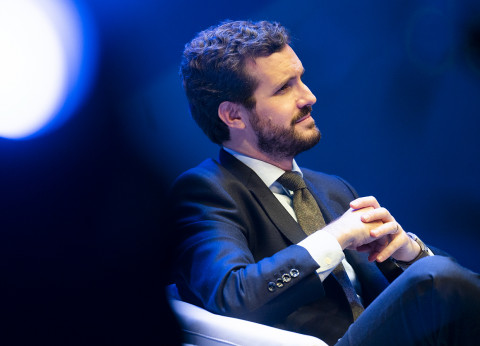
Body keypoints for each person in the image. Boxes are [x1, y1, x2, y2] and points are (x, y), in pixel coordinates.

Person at [170, 20, 480, 345]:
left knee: (432, 274)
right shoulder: (204, 192)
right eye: (283, 88)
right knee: (433, 280)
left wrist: (408, 252)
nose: (308, 96)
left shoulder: (333, 188)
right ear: (233, 116)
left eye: (301, 79)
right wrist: (333, 238)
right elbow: (232, 296)